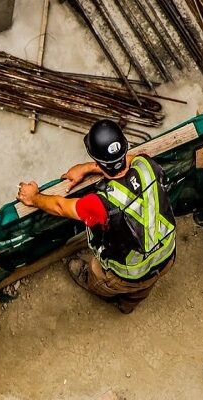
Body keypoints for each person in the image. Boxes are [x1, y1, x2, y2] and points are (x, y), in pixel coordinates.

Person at [16, 119, 176, 313]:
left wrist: (34, 198)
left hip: (129, 275)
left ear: (99, 161)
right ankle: (128, 306)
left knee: (98, 272)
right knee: (143, 287)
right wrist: (86, 168)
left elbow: (59, 206)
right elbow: (130, 160)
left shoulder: (98, 204)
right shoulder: (146, 165)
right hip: (167, 256)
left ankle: (97, 285)